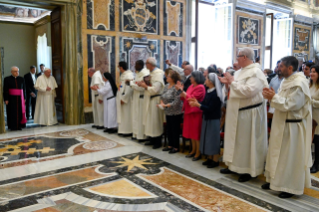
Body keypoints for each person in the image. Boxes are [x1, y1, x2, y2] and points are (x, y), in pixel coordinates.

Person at [262, 56, 312, 198]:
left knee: (288, 159)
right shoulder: (286, 81)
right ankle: (274, 181)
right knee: (276, 155)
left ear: (290, 68)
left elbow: (291, 105)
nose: (278, 68)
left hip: (292, 127)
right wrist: (271, 97)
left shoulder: (299, 83)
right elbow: (281, 101)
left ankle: (289, 187)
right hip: (281, 123)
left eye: (281, 66)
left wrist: (274, 97)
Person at [219, 47, 268, 182]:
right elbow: (235, 89)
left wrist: (232, 82)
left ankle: (247, 170)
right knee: (235, 141)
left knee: (246, 143)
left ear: (245, 57)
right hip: (236, 112)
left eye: (238, 56)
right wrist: (228, 84)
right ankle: (233, 166)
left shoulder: (256, 73)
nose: (237, 59)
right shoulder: (239, 72)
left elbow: (248, 91)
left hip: (249, 114)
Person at [189, 73, 223, 168]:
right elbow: (204, 104)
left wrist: (198, 105)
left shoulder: (216, 93)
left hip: (213, 119)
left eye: (207, 79)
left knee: (213, 139)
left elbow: (211, 108)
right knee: (207, 138)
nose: (205, 80)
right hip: (207, 117)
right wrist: (197, 102)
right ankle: (209, 158)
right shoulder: (209, 91)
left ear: (211, 82)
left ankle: (215, 160)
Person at [176, 71, 206, 161]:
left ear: (196, 78)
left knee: (196, 133)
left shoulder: (201, 87)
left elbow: (192, 98)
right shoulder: (190, 86)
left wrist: (182, 92)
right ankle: (193, 150)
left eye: (192, 77)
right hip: (189, 111)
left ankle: (198, 152)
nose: (190, 78)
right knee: (191, 133)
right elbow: (184, 97)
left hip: (196, 112)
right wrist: (180, 91)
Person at [138, 57, 165, 149]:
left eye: (146, 63)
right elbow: (149, 85)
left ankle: (157, 141)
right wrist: (142, 85)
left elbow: (155, 89)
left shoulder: (158, 74)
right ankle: (151, 138)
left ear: (150, 64)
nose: (145, 65)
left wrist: (145, 86)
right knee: (149, 120)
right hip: (149, 99)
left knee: (155, 121)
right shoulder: (151, 73)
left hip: (155, 100)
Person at [160, 69, 183, 153]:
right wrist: (162, 102)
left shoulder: (176, 87)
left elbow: (177, 101)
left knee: (174, 130)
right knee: (169, 129)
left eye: (168, 76)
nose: (166, 77)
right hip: (168, 111)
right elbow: (162, 95)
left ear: (173, 78)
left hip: (175, 112)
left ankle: (176, 147)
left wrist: (166, 105)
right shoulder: (166, 86)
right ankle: (170, 145)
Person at [130, 60, 150, 141]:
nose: (135, 66)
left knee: (141, 117)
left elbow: (142, 87)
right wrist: (133, 84)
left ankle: (142, 135)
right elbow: (136, 84)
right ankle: (136, 134)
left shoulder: (145, 74)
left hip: (141, 98)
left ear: (141, 65)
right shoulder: (138, 73)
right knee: (136, 117)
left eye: (136, 65)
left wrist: (132, 84)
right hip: (136, 97)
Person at [3, 66, 27, 130]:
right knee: (12, 112)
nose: (17, 72)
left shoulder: (21, 79)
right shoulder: (7, 79)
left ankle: (20, 125)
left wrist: (25, 98)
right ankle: (12, 126)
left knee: (20, 112)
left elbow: (24, 89)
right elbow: (5, 90)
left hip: (20, 98)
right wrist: (6, 99)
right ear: (11, 72)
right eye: (15, 71)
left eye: (18, 71)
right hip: (11, 99)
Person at [116, 61, 134, 136]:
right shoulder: (123, 75)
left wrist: (124, 98)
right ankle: (122, 130)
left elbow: (129, 88)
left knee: (126, 115)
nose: (118, 69)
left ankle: (128, 131)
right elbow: (122, 86)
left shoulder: (129, 75)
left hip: (127, 99)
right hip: (121, 97)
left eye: (118, 67)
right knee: (122, 115)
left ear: (121, 67)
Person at [309, 65, 319, 173]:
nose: (311, 74)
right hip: (310, 117)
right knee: (312, 141)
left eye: (314, 72)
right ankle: (312, 162)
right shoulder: (310, 85)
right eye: (311, 71)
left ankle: (317, 164)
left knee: (317, 142)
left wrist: (311, 102)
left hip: (318, 118)